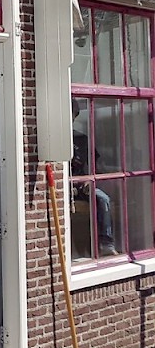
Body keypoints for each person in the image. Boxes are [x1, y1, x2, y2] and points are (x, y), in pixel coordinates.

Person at [70, 99, 117, 256]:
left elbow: (94, 166)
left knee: (103, 199)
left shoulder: (82, 139)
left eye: (73, 115)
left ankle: (106, 243)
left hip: (81, 186)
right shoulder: (55, 139)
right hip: (62, 187)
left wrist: (89, 180)